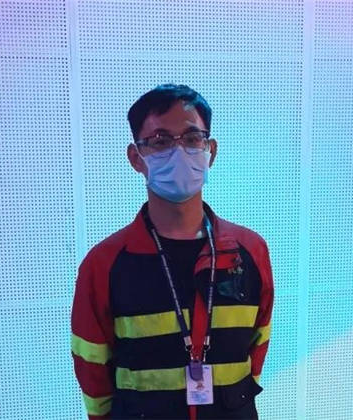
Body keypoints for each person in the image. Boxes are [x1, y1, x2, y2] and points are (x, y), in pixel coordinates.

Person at [71, 84, 274, 419]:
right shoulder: (104, 263)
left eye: (193, 138)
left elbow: (257, 347)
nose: (179, 151)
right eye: (160, 140)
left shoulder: (250, 250)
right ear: (136, 158)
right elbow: (92, 371)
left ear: (211, 150)